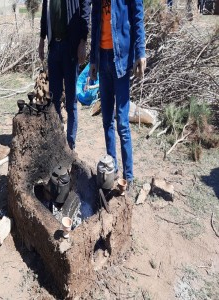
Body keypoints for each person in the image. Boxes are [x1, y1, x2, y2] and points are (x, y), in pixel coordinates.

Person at [90, 0, 146, 191]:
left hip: (120, 58)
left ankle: (128, 177)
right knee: (107, 120)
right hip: (103, 57)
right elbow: (95, 18)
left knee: (122, 123)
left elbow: (137, 17)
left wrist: (140, 53)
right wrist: (93, 60)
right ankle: (111, 169)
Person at [38, 0, 91, 150]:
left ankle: (70, 144)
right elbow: (44, 13)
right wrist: (42, 39)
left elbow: (85, 10)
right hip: (53, 47)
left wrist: (82, 41)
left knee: (71, 99)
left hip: (70, 47)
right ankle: (57, 140)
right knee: (54, 98)